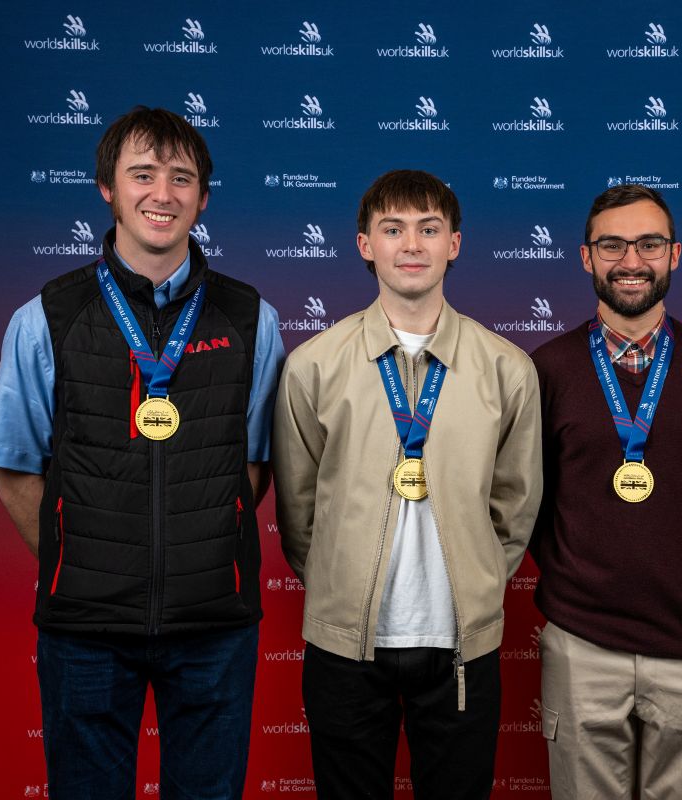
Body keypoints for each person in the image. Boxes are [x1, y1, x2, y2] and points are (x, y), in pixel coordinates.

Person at [0, 106, 284, 799]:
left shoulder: (251, 319)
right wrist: (83, 559)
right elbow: (16, 471)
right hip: (85, 627)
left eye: (182, 178)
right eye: (142, 174)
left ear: (203, 197)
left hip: (214, 624)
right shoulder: (46, 317)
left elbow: (254, 465)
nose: (162, 194)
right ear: (107, 189)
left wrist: (195, 547)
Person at [271, 169, 542, 799]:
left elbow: (516, 504)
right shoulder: (313, 365)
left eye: (429, 229)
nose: (411, 244)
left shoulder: (507, 368)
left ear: (455, 244)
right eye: (393, 229)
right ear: (366, 244)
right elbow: (299, 509)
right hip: (345, 647)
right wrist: (337, 586)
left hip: (460, 649)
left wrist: (476, 580)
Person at [530, 183, 682, 799]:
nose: (631, 261)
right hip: (582, 645)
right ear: (586, 257)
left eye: (649, 244)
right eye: (612, 245)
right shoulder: (545, 369)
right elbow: (529, 502)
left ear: (675, 254)